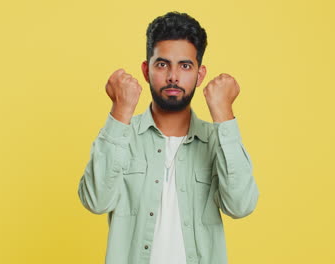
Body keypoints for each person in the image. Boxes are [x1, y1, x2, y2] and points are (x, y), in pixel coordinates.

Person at [78, 11, 259, 264]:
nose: (173, 76)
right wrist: (120, 111)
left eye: (185, 66)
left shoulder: (216, 140)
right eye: (162, 64)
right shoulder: (122, 136)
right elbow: (96, 201)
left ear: (200, 74)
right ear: (146, 70)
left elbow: (240, 206)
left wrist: (224, 115)